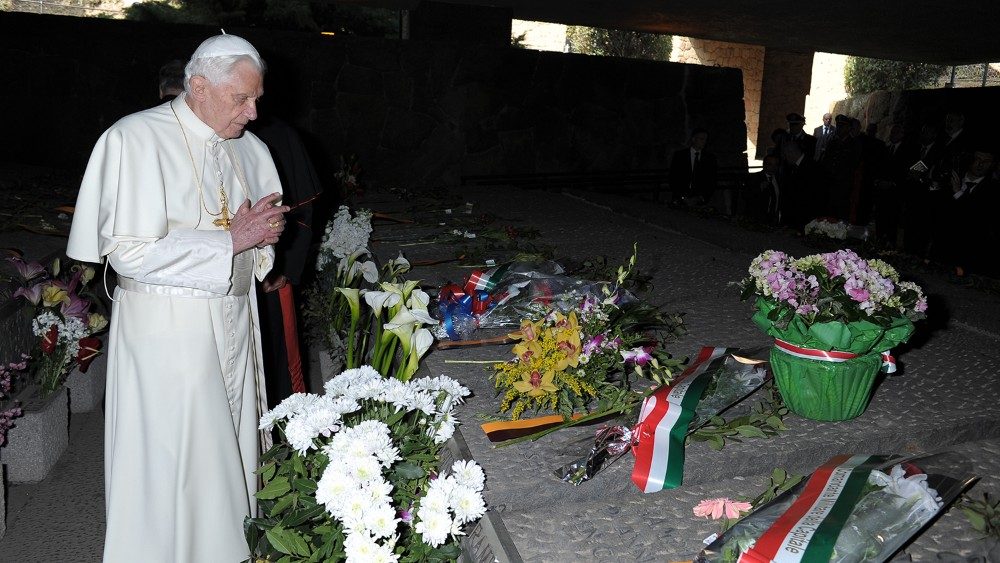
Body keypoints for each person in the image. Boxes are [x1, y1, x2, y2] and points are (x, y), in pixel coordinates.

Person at [67, 33, 289, 562]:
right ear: (198, 86)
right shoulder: (134, 140)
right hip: (168, 331)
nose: (254, 113)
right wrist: (232, 240)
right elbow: (127, 254)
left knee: (233, 454)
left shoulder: (250, 149)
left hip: (237, 322)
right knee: (175, 462)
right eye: (242, 99)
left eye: (256, 98)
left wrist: (262, 241)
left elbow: (257, 248)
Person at [668, 128, 717, 206]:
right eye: (701, 139)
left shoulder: (710, 158)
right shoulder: (680, 155)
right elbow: (673, 177)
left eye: (705, 139)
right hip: (681, 197)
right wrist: (683, 197)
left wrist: (700, 197)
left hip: (700, 199)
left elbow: (711, 181)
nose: (704, 142)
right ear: (693, 139)